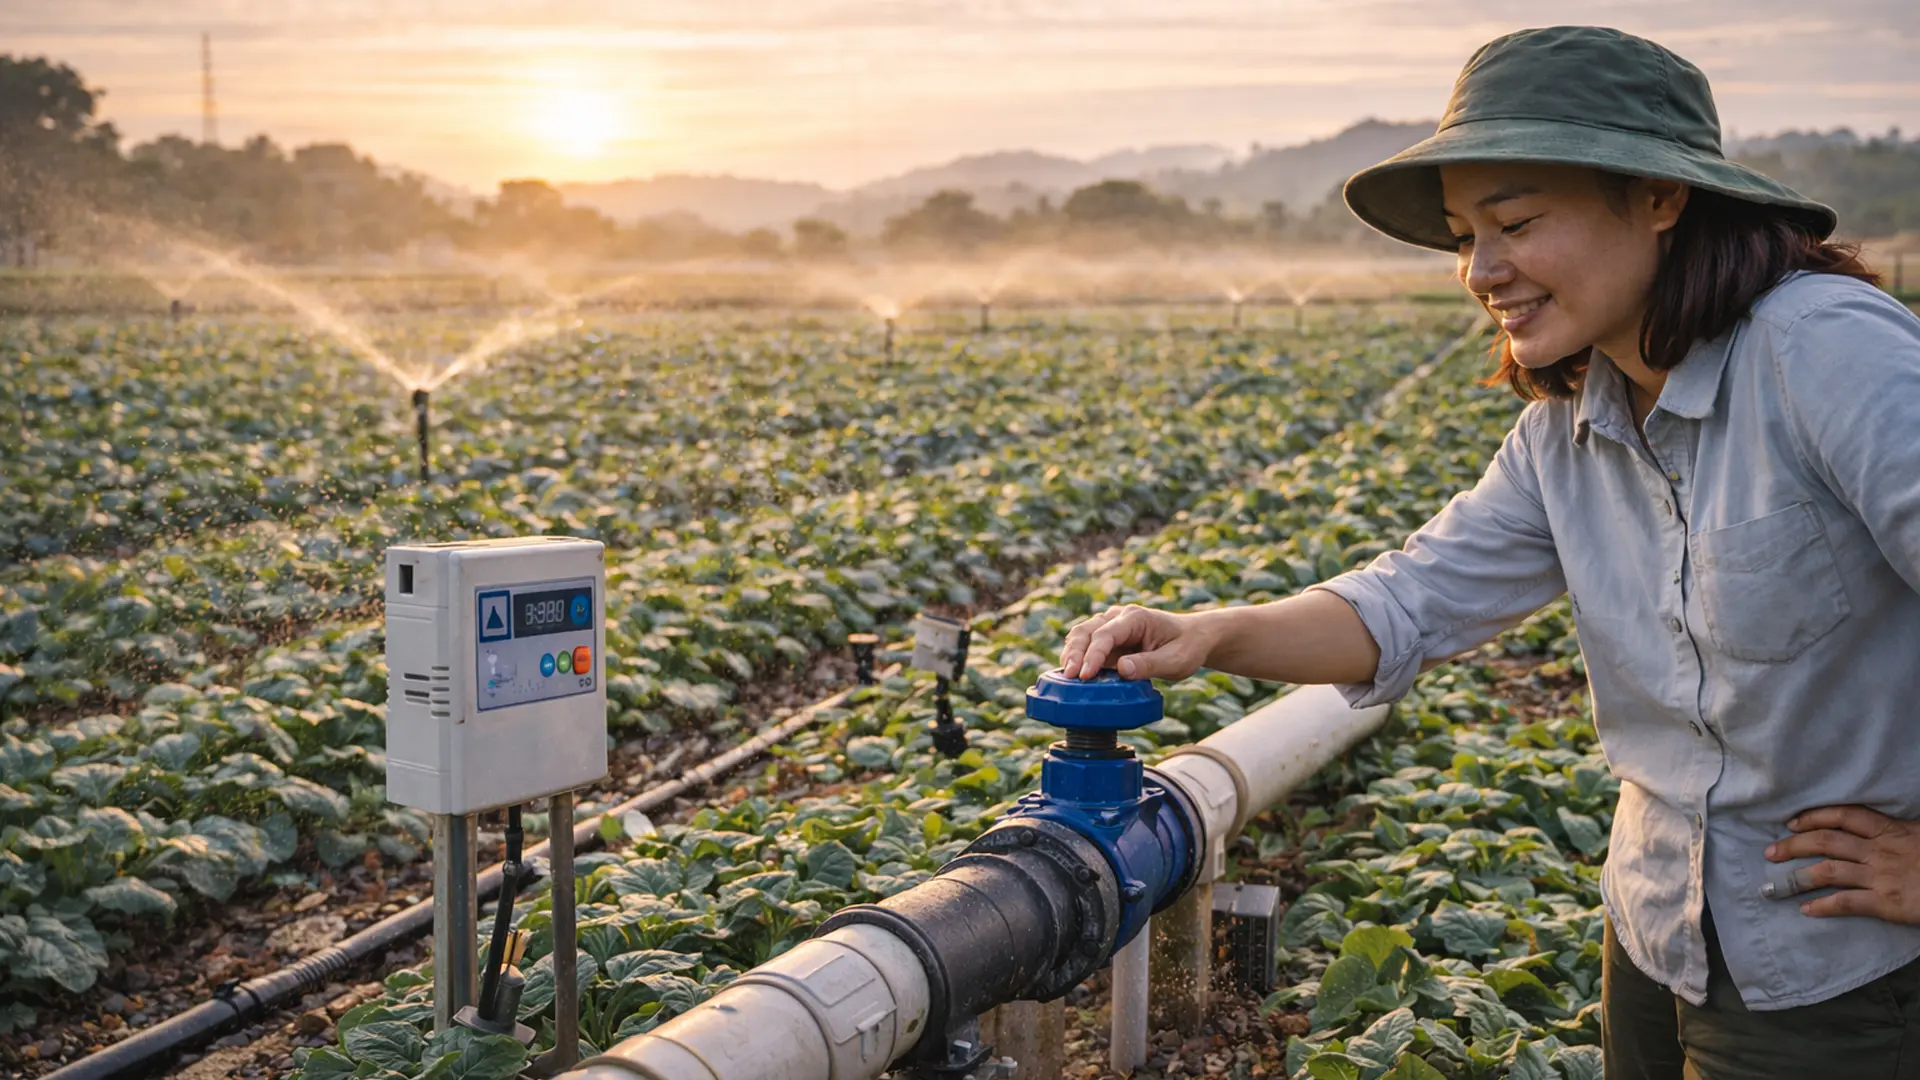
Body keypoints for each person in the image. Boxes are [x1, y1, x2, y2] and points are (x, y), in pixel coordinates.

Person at [1058, 25, 1920, 1080]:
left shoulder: (1823, 349)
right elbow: (1410, 601)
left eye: (1515, 222)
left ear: (1661, 198)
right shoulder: (1572, 426)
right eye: (1467, 233)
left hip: (1844, 976)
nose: (1481, 270)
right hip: (1655, 939)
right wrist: (1206, 635)